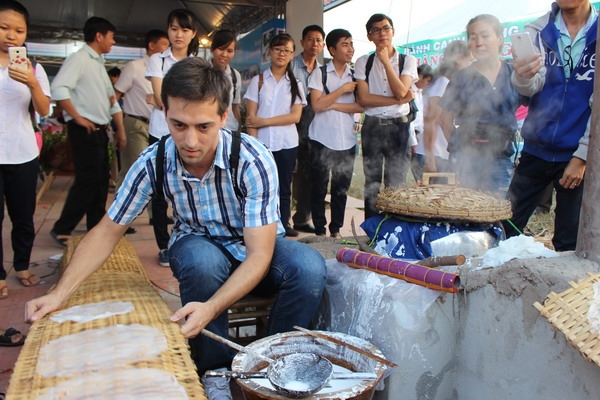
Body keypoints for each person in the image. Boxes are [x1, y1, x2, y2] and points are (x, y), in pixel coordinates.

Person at [26, 57, 327, 400]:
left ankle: (274, 361)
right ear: (164, 113)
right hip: (197, 239)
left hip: (254, 245)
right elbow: (107, 230)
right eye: (178, 124)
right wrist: (57, 295)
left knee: (309, 268)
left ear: (223, 118)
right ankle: (215, 370)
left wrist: (210, 308)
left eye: (203, 126)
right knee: (202, 263)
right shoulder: (153, 162)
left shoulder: (252, 159)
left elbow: (260, 253)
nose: (190, 141)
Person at [503, 0, 596, 251]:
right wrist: (522, 75)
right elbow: (530, 88)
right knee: (506, 225)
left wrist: (584, 155)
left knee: (569, 240)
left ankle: (565, 290)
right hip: (535, 147)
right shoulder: (537, 31)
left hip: (577, 153)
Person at [48, 16, 126, 247]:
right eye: (112, 37)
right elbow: (58, 89)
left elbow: (112, 103)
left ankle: (96, 226)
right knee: (87, 179)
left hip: (100, 131)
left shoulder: (99, 64)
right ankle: (62, 228)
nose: (113, 42)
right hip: (85, 130)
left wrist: (119, 130)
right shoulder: (79, 59)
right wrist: (78, 117)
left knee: (102, 180)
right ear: (99, 36)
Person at [438, 14, 525, 194]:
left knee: (497, 212)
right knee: (465, 212)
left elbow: (536, 107)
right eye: (473, 37)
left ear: (499, 39)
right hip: (467, 159)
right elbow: (445, 119)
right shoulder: (461, 78)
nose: (479, 42)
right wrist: (458, 150)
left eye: (485, 36)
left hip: (501, 158)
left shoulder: (514, 73)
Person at [0, 0, 51, 297]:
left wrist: (32, 82)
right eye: (4, 27)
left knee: (23, 215)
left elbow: (43, 109)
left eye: (19, 30)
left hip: (22, 152)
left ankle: (21, 265)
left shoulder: (34, 68)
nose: (11, 36)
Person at [146, 9, 199, 266]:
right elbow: (157, 98)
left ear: (193, 34)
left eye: (185, 29)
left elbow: (162, 101)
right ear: (167, 30)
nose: (179, 34)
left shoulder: (199, 63)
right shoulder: (158, 60)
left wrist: (166, 103)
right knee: (159, 192)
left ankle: (189, 239)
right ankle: (164, 245)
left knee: (189, 187)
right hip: (160, 133)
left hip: (191, 135)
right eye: (174, 28)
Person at [355, 13, 418, 220]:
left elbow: (401, 91)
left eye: (386, 28)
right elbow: (364, 98)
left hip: (398, 126)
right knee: (372, 180)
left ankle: (393, 227)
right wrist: (398, 100)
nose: (382, 33)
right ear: (369, 35)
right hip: (372, 125)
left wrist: (385, 62)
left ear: (393, 31)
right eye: (376, 30)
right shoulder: (363, 61)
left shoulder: (407, 60)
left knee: (396, 180)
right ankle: (372, 228)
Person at [244, 33, 306, 237]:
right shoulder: (258, 81)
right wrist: (253, 145)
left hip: (287, 143)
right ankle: (262, 224)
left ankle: (283, 222)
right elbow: (251, 119)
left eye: (286, 50)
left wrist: (265, 121)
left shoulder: (295, 83)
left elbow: (295, 117)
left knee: (284, 186)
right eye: (278, 49)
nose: (282, 54)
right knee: (261, 186)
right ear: (270, 52)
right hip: (262, 145)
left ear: (292, 54)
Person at [308, 28, 364, 238]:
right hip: (321, 138)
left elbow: (360, 107)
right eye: (345, 44)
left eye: (351, 44)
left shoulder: (356, 76)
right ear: (332, 49)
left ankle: (336, 229)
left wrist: (332, 104)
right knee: (319, 187)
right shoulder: (320, 73)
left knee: (341, 188)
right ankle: (320, 230)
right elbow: (316, 105)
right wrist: (342, 90)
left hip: (347, 140)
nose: (350, 49)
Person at [113, 29, 169, 231]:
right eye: (164, 43)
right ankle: (120, 218)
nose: (168, 46)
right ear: (152, 45)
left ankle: (156, 216)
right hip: (135, 123)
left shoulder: (168, 65)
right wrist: (118, 122)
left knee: (156, 171)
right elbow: (116, 94)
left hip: (157, 124)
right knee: (132, 170)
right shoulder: (134, 67)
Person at [290, 25, 325, 235]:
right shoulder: (290, 66)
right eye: (310, 39)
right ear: (302, 42)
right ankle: (280, 220)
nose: (314, 44)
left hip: (316, 122)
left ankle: (303, 218)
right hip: (292, 121)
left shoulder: (323, 71)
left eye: (318, 40)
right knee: (287, 172)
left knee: (310, 173)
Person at [422, 40, 472, 176]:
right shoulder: (443, 83)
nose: (471, 66)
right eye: (470, 60)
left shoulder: (442, 81)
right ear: (459, 58)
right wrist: (430, 159)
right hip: (436, 154)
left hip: (440, 152)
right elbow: (430, 122)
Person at [210, 30, 242, 132]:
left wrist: (239, 130)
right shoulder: (201, 70)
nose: (224, 54)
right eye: (221, 49)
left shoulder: (235, 75)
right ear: (212, 48)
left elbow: (235, 107)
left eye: (230, 51)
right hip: (206, 129)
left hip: (229, 129)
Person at [408, 63, 433, 184]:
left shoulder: (420, 92)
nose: (427, 84)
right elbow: (409, 119)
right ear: (420, 77)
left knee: (419, 165)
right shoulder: (409, 90)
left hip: (418, 134)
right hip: (410, 133)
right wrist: (413, 141)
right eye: (427, 81)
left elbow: (421, 117)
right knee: (411, 165)